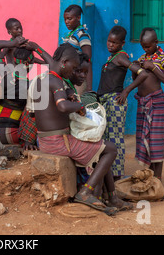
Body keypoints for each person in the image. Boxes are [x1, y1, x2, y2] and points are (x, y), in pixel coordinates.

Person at [28, 43, 130, 214]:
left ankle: (112, 198)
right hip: (59, 142)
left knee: (101, 147)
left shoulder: (42, 79)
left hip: (45, 139)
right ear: (64, 62)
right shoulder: (55, 81)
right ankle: (86, 192)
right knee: (110, 149)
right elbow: (61, 106)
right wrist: (79, 107)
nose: (74, 71)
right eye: (74, 68)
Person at [97, 26, 149, 180]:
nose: (110, 45)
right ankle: (109, 174)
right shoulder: (112, 57)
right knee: (106, 138)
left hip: (115, 101)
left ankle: (117, 175)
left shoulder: (120, 57)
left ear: (122, 43)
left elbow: (143, 73)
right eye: (109, 41)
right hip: (106, 100)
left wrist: (126, 91)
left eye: (114, 42)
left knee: (115, 139)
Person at [0, 18, 44, 147]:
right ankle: (28, 141)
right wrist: (38, 50)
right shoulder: (32, 86)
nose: (19, 30)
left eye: (20, 28)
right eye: (16, 28)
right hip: (12, 136)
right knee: (35, 106)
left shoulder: (5, 75)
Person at [134, 27, 164, 190]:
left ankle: (158, 180)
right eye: (143, 46)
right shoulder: (143, 57)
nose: (145, 49)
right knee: (144, 140)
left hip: (156, 102)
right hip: (143, 102)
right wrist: (136, 67)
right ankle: (148, 176)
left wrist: (152, 67)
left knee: (155, 141)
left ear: (156, 43)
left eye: (148, 46)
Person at [61, 5, 93, 92]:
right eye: (65, 19)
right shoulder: (72, 35)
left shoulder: (82, 35)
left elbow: (88, 60)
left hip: (78, 81)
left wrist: (89, 88)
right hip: (69, 79)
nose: (66, 22)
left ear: (78, 18)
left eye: (69, 19)